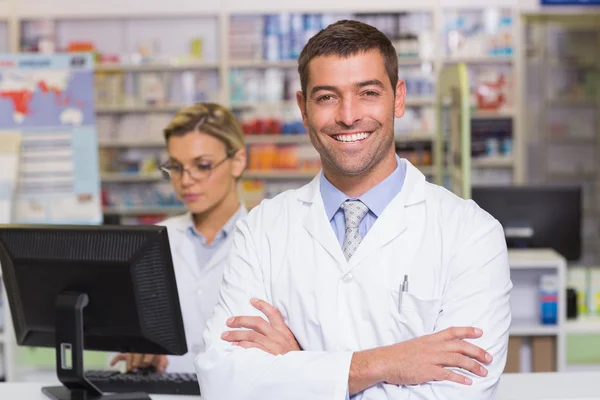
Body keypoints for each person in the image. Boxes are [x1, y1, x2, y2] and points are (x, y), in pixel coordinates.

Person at [195, 20, 512, 399]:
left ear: (398, 98)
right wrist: (382, 363)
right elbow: (224, 380)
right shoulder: (262, 229)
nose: (348, 115)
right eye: (327, 97)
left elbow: (457, 393)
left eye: (367, 93)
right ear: (304, 107)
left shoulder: (471, 233)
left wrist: (298, 366)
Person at [110, 103, 248, 373]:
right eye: (175, 167)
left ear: (238, 162)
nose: (186, 180)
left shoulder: (269, 238)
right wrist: (138, 352)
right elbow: (126, 340)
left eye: (202, 166)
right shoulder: (148, 243)